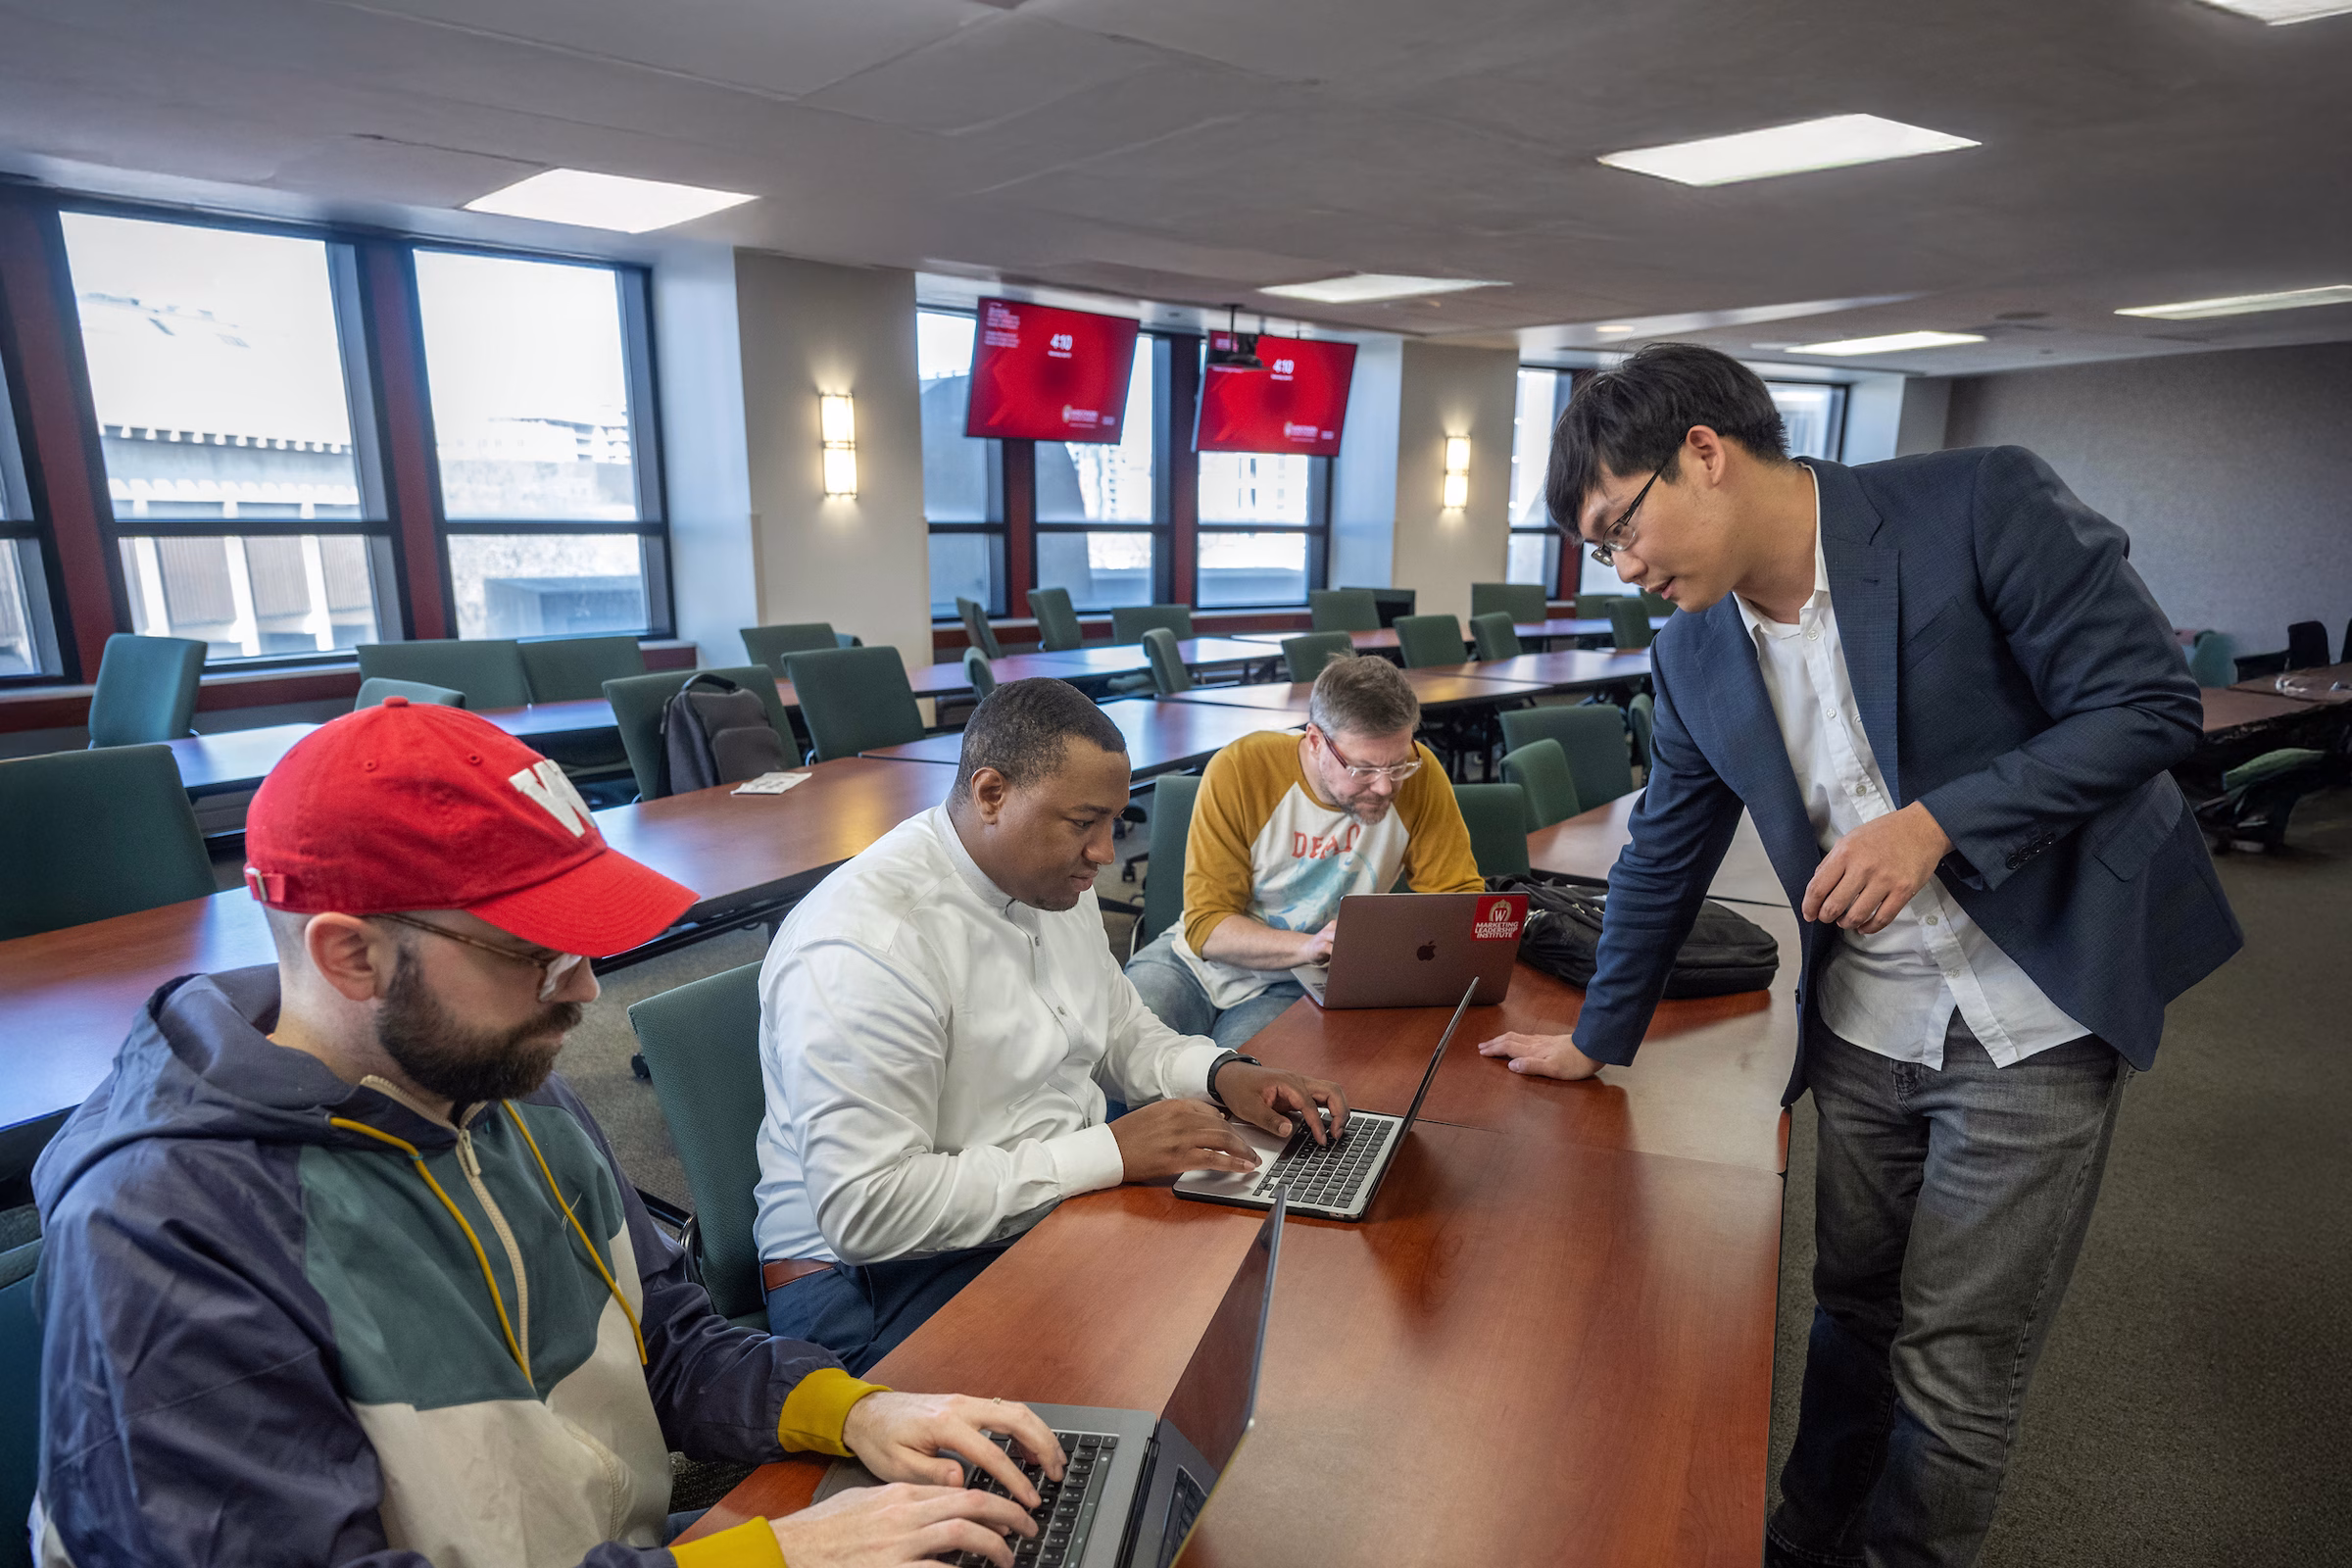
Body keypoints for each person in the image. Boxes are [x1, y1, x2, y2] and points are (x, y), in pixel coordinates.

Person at [1477, 344, 2241, 1568]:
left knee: (1952, 1359)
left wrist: (1937, 825)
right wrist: (1595, 1035)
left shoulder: (1977, 501)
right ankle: (1807, 1533)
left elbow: (2150, 704)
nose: (1624, 569)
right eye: (1600, 550)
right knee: (1851, 1310)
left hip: (2036, 999)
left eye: (1621, 528)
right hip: (1867, 1020)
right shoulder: (1692, 650)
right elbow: (1665, 853)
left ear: (1705, 455)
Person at [33, 698, 1065, 1568]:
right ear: (350, 957)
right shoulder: (162, 1228)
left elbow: (668, 1342)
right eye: (535, 954)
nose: (585, 991)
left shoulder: (505, 1088)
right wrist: (771, 1557)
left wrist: (856, 1411)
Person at [755, 678, 1350, 1373]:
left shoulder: (1049, 881)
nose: (1106, 853)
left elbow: (1119, 1030)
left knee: (1260, 1287)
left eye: (1114, 822)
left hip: (1041, 1202)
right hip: (871, 1278)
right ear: (991, 795)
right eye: (1083, 822)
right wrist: (1109, 1152)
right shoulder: (868, 946)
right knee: (1160, 1368)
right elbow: (869, 1211)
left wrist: (1222, 1074)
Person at [1125, 654, 1483, 1047]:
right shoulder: (1242, 768)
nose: (1385, 787)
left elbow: (1458, 904)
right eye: (1363, 769)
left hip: (1301, 982)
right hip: (1192, 965)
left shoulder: (1421, 773)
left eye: (1397, 766)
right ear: (1315, 741)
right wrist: (1310, 945)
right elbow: (1206, 928)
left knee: (1247, 1070)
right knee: (1121, 1041)